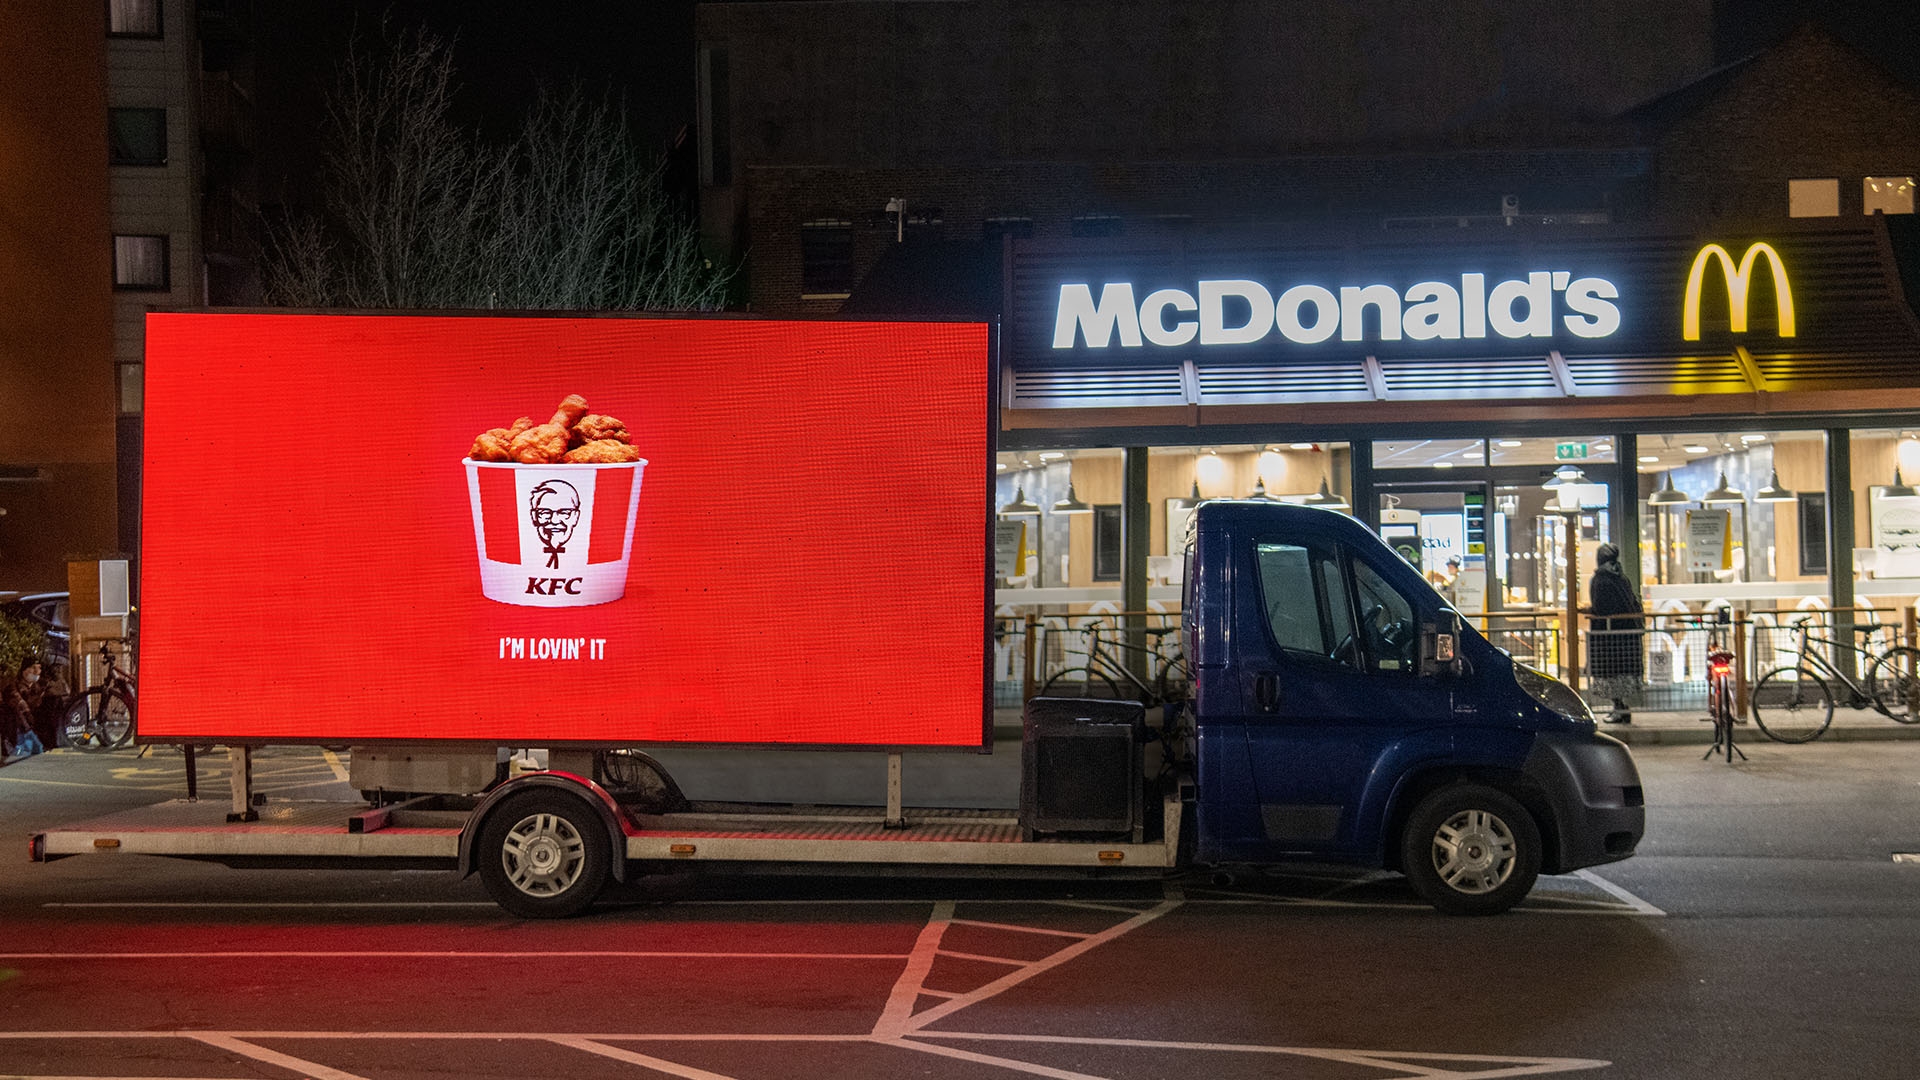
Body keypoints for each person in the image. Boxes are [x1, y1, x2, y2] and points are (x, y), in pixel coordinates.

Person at [1588, 543, 1645, 724]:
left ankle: (1619, 708)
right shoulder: (1621, 577)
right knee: (1621, 673)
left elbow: (1601, 607)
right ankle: (1620, 708)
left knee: (1611, 672)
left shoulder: (1601, 580)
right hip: (1627, 635)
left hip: (1608, 636)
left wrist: (1590, 611)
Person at [3, 657, 49, 760]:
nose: (37, 671)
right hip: (16, 727)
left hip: (32, 726)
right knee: (18, 712)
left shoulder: (39, 687)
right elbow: (20, 704)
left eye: (39, 668)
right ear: (24, 670)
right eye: (33, 668)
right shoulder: (13, 685)